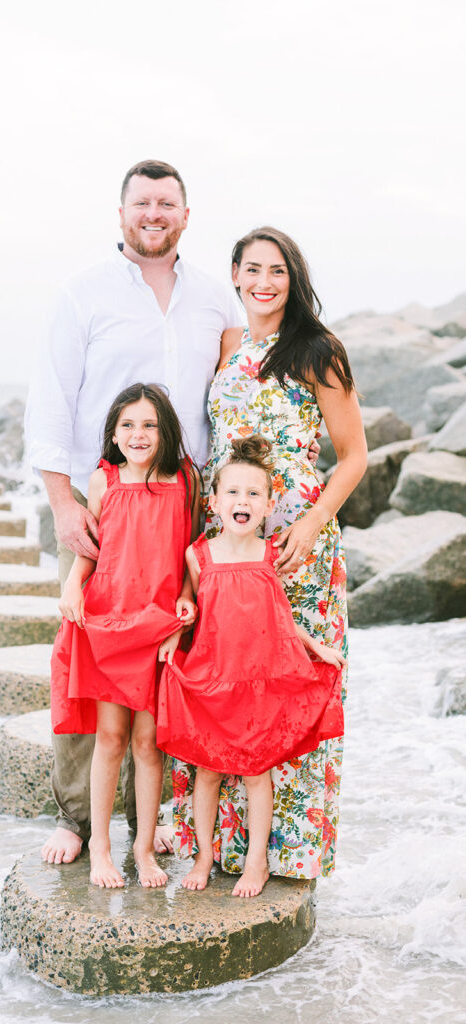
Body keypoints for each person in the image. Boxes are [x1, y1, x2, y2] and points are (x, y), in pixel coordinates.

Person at [24, 159, 242, 865]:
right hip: (102, 502)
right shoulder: (82, 292)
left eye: (167, 203)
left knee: (170, 668)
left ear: (185, 215)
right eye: (142, 202)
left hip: (185, 503)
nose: (154, 213)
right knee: (85, 661)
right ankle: (78, 821)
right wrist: (63, 504)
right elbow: (51, 400)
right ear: (121, 213)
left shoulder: (214, 297)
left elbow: (230, 394)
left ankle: (161, 827)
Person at [172, 226, 367, 881]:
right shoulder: (227, 345)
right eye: (251, 269)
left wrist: (313, 522)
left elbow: (353, 455)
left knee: (287, 689)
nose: (263, 282)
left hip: (293, 549)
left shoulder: (317, 350)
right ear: (233, 275)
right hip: (226, 543)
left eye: (276, 271)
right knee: (224, 684)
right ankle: (218, 846)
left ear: (293, 278)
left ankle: (288, 848)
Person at [157, 435, 346, 897]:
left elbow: (280, 619)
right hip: (213, 682)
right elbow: (189, 601)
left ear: (268, 505)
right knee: (208, 772)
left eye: (254, 494)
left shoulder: (268, 558)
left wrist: (315, 647)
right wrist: (176, 625)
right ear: (215, 502)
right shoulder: (198, 555)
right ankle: (204, 855)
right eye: (234, 493)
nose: (243, 501)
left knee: (257, 773)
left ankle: (257, 860)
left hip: (258, 685)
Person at [51, 383, 200, 887]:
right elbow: (91, 548)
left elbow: (190, 548)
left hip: (157, 622)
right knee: (110, 737)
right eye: (129, 425)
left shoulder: (185, 480)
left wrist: (186, 596)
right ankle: (100, 848)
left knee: (148, 743)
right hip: (109, 620)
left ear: (166, 431)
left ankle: (144, 849)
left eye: (150, 425)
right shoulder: (102, 479)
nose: (139, 434)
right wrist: (73, 584)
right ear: (113, 433)